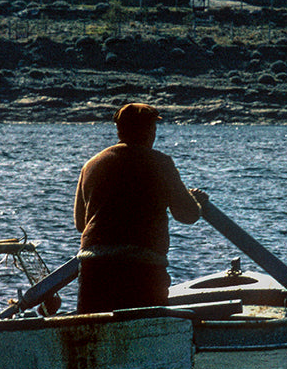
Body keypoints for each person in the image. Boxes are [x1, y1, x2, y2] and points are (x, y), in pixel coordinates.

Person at [73, 103, 205, 314]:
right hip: (142, 269)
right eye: (153, 128)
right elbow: (187, 214)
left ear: (119, 129)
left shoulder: (92, 164)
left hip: (94, 269)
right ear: (149, 131)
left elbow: (81, 224)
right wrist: (197, 202)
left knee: (93, 329)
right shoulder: (161, 163)